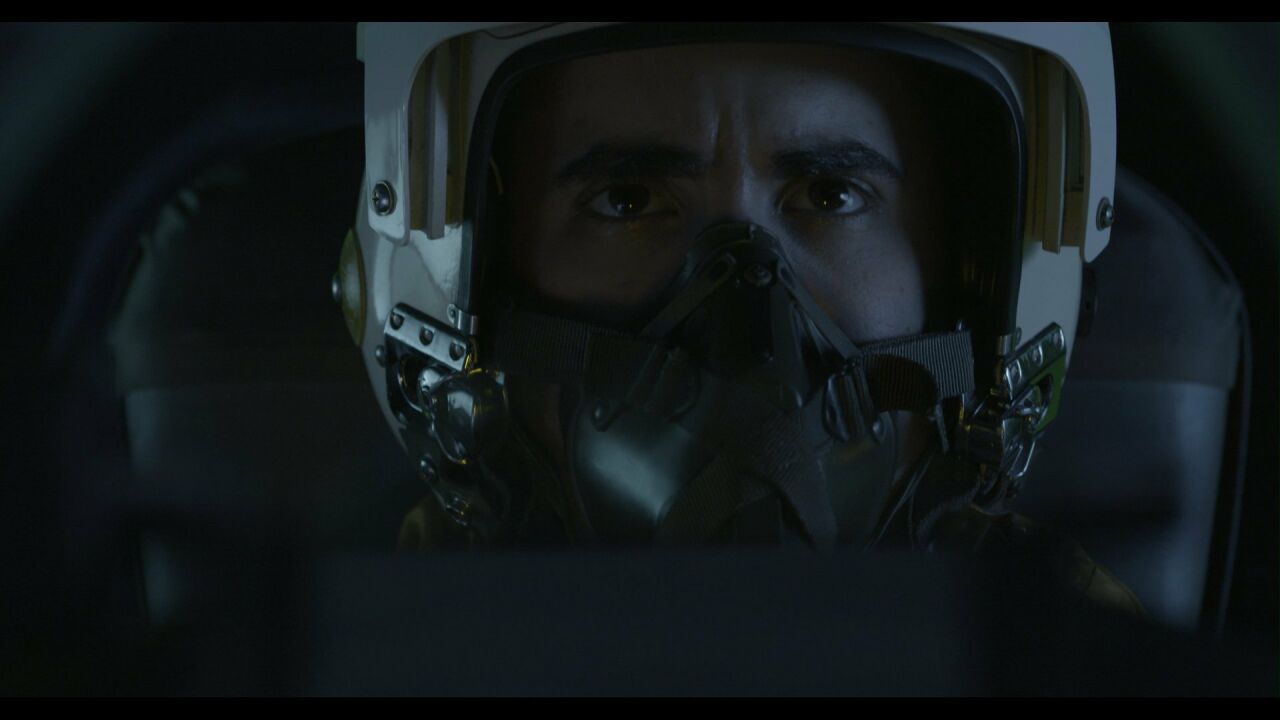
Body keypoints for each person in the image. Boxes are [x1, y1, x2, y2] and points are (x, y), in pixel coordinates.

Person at [333, 22, 1143, 614]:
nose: (751, 324)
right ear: (465, 295)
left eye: (831, 195)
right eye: (628, 200)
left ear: (973, 279)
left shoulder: (1090, 669)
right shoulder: (333, 659)